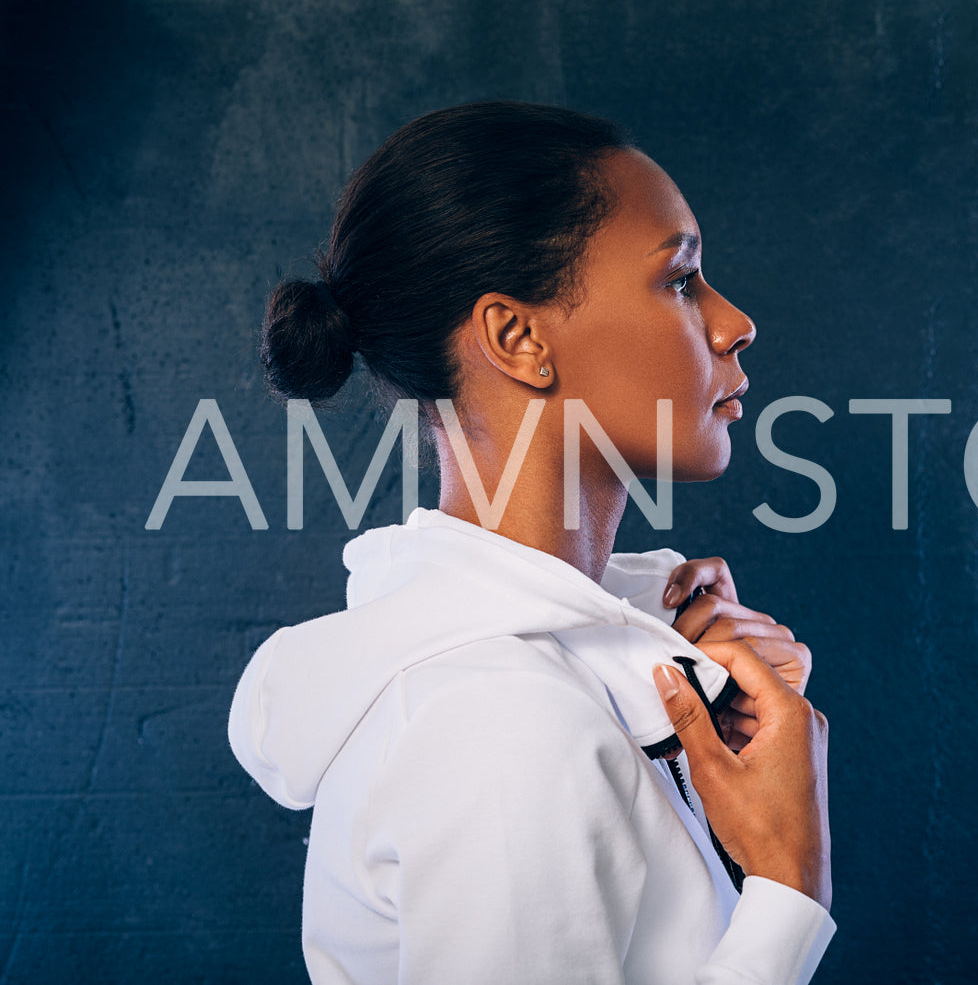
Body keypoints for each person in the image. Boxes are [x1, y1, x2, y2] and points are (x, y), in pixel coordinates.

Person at [227, 102, 835, 983]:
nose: (733, 321)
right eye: (680, 279)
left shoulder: (562, 680)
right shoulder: (503, 725)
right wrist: (788, 888)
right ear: (518, 338)